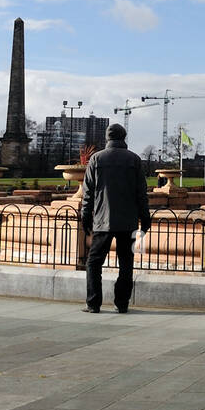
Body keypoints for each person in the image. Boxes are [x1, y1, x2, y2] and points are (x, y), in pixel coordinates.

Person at [80, 123, 151, 313]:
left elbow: (88, 194)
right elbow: (141, 194)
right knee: (126, 263)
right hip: (128, 222)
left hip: (103, 221)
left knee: (94, 263)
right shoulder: (134, 160)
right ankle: (122, 303)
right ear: (124, 137)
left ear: (107, 138)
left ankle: (93, 302)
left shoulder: (96, 159)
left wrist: (85, 217)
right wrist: (145, 218)